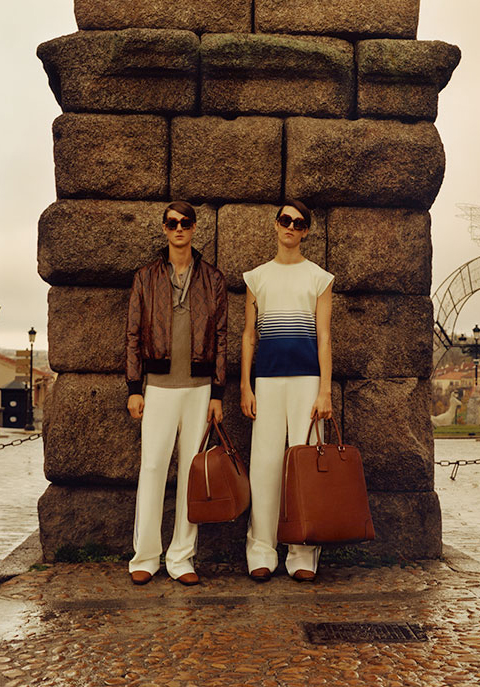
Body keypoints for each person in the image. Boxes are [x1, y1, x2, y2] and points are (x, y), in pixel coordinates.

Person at [126, 201, 227, 586]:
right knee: (152, 467)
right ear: (165, 229)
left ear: (194, 227)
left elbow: (221, 338)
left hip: (199, 389)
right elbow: (133, 334)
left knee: (191, 473)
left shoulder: (213, 279)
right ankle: (146, 556)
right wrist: (134, 387)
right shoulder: (146, 277)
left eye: (185, 222)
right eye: (173, 223)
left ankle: (182, 557)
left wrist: (217, 392)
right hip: (158, 386)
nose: (179, 228)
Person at [240, 199, 334, 582]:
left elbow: (324, 337)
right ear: (276, 225)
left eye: (298, 222)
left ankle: (303, 551)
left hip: (307, 381)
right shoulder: (256, 278)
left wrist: (325, 390)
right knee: (264, 465)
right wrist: (245, 386)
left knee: (305, 463)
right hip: (266, 381)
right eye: (285, 220)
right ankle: (261, 548)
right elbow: (249, 336)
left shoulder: (319, 278)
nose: (290, 227)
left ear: (305, 230)